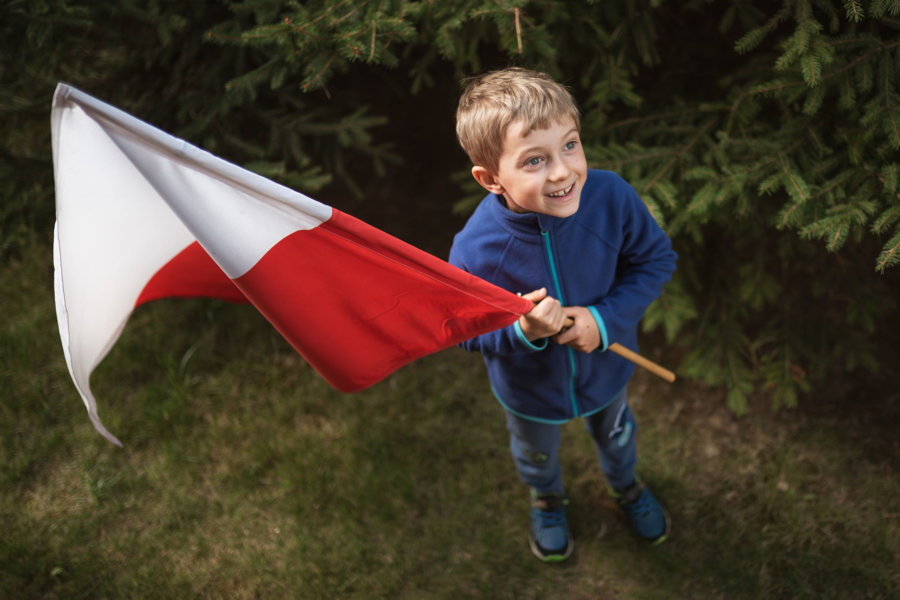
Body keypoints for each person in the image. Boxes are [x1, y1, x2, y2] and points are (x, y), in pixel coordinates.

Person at [448, 67, 678, 562]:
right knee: (535, 454)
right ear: (491, 179)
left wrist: (605, 318)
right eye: (535, 160)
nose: (562, 172)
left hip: (607, 370)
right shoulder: (475, 250)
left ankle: (626, 486)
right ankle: (547, 498)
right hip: (529, 390)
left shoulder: (610, 196)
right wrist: (523, 331)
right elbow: (464, 333)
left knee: (617, 439)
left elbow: (656, 260)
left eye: (570, 145)